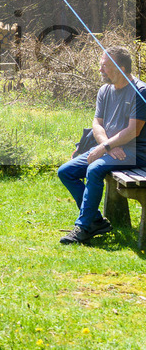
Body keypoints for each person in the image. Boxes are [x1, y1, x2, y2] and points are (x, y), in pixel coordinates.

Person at [56, 46, 146, 245]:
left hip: (135, 152)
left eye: (104, 66)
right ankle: (96, 220)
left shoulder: (140, 92)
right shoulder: (104, 90)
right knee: (65, 171)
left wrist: (104, 148)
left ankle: (84, 227)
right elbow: (97, 124)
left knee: (95, 169)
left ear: (121, 68)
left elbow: (133, 131)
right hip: (110, 148)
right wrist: (107, 146)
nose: (100, 70)